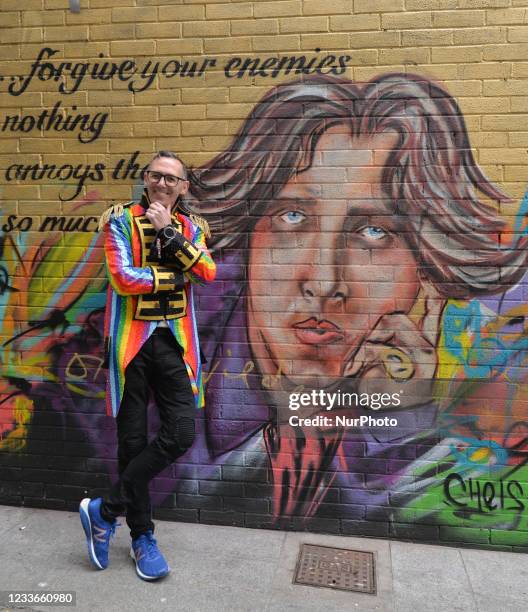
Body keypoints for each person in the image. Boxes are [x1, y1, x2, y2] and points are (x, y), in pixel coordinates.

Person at [177, 73, 528, 524]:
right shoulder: (174, 366)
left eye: (374, 231)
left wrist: (403, 418)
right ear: (250, 239)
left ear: (429, 268)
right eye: (292, 216)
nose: (324, 281)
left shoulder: (460, 427)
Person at [79, 151, 216, 580]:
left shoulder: (192, 228)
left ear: (184, 187)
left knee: (179, 433)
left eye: (172, 179)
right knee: (132, 444)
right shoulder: (118, 221)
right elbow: (123, 277)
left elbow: (208, 272)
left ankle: (104, 510)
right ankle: (142, 537)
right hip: (130, 347)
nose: (163, 184)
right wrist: (175, 275)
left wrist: (169, 236)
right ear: (145, 178)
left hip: (174, 346)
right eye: (157, 176)